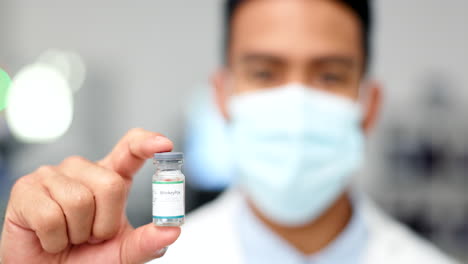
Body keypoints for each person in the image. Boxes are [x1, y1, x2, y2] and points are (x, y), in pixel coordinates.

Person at [0, 1, 459, 264]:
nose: (295, 105)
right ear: (221, 97)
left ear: (369, 104)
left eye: (329, 76)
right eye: (264, 72)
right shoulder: (160, 260)